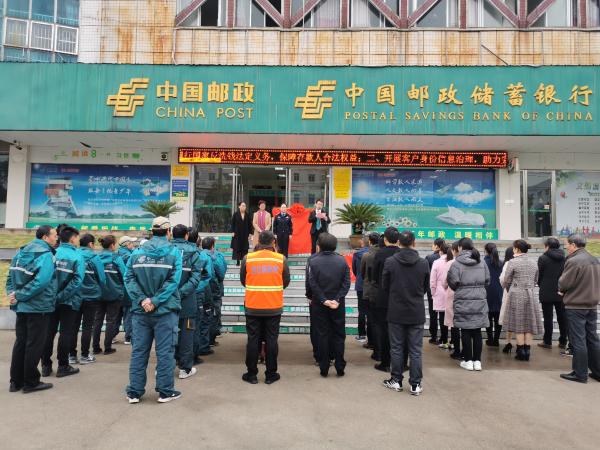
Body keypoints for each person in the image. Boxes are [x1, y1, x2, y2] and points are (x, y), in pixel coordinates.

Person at [125, 216, 183, 403]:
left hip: (141, 312)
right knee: (165, 352)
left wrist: (142, 300)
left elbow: (129, 278)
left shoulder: (136, 253)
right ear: (168, 232)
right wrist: (156, 300)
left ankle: (134, 392)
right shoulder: (174, 253)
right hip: (165, 311)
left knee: (139, 351)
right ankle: (165, 392)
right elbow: (173, 281)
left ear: (152, 231)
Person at [7, 225, 57, 393]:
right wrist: (20, 295)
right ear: (45, 237)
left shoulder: (21, 252)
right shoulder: (46, 255)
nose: (56, 238)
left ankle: (15, 381)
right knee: (34, 344)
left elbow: (10, 276)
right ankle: (31, 382)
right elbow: (42, 282)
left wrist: (13, 294)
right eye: (54, 235)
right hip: (38, 306)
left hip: (21, 306)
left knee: (21, 343)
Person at [382, 230, 429, 396]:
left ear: (399, 243)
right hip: (416, 311)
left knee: (396, 348)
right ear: (414, 243)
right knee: (415, 350)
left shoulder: (390, 262)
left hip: (396, 310)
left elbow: (385, 286)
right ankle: (415, 384)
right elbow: (425, 287)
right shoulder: (423, 263)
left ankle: (396, 380)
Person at [240, 230, 290, 384]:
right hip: (273, 306)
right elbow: (286, 281)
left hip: (253, 306)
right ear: (273, 242)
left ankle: (251, 374)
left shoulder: (248, 258)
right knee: (271, 340)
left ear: (258, 242)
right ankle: (271, 374)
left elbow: (243, 280)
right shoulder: (281, 259)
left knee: (253, 339)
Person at [41, 225, 84, 378]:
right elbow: (77, 281)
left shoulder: (53, 253)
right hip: (69, 301)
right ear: (72, 238)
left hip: (50, 300)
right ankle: (63, 366)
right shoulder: (77, 256)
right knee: (66, 333)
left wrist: (54, 296)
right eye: (77, 237)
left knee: (48, 332)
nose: (78, 240)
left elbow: (44, 277)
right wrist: (62, 296)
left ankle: (45, 366)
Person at [558, 234, 600, 383]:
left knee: (578, 340)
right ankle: (597, 372)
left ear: (574, 245)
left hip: (576, 305)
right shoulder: (594, 259)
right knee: (592, 339)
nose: (566, 247)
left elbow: (564, 282)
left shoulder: (574, 260)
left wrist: (561, 289)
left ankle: (580, 373)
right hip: (591, 304)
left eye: (567, 244)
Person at [308, 233, 351, 377]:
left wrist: (323, 300)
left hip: (320, 304)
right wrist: (337, 299)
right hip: (337, 305)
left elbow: (312, 283)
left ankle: (324, 366)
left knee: (322, 334)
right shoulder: (342, 261)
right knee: (339, 335)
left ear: (319, 245)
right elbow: (346, 283)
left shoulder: (313, 261)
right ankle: (340, 366)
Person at [447, 238, 490, 371]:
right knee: (477, 331)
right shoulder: (481, 261)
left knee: (465, 330)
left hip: (463, 300)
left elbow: (452, 282)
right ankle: (477, 361)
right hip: (479, 300)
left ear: (460, 247)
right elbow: (487, 280)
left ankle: (468, 361)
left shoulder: (456, 263)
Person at [501, 239, 542, 362]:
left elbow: (506, 280)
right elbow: (536, 280)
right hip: (530, 293)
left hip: (516, 293)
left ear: (517, 249)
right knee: (529, 323)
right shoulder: (533, 262)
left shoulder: (512, 262)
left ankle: (520, 351)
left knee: (518, 322)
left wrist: (511, 289)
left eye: (514, 248)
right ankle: (527, 351)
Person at [171, 225, 203, 379]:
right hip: (187, 302)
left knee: (166, 335)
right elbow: (195, 278)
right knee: (187, 336)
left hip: (166, 301)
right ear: (186, 235)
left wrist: (169, 293)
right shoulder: (194, 253)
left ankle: (165, 367)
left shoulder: (164, 251)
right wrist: (181, 292)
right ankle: (185, 369)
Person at [71, 233, 106, 364]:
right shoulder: (94, 258)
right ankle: (85, 355)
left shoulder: (74, 255)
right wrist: (99, 289)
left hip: (75, 295)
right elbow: (102, 278)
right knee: (87, 326)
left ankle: (71, 356)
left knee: (73, 326)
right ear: (90, 244)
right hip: (91, 296)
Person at [371, 227, 401, 372]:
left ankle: (385, 362)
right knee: (400, 331)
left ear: (385, 239)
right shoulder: (401, 253)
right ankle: (400, 362)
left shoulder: (380, 254)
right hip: (400, 297)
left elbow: (374, 276)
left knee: (383, 330)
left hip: (383, 297)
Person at [93, 235, 127, 356]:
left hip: (99, 294)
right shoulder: (116, 258)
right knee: (111, 321)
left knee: (97, 320)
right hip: (114, 294)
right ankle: (107, 347)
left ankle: (95, 347)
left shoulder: (96, 257)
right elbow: (125, 275)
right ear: (112, 245)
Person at [188, 230, 214, 362]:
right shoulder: (202, 255)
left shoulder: (175, 251)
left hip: (178, 293)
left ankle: (180, 355)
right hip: (196, 293)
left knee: (182, 325)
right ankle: (192, 355)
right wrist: (196, 287)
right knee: (195, 324)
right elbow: (208, 275)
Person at [537, 237, 568, 349]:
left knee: (548, 317)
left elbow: (539, 275)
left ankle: (547, 341)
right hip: (561, 290)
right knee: (562, 317)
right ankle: (563, 341)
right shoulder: (564, 258)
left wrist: (541, 284)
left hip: (546, 290)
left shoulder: (543, 258)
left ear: (548, 246)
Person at [202, 236, 227, 346]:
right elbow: (221, 273)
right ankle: (211, 339)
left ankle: (204, 339)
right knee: (214, 313)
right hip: (214, 290)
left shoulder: (199, 255)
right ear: (212, 246)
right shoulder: (216, 257)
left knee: (204, 314)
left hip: (201, 290)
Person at [359, 232, 380, 352]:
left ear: (370, 242)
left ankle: (371, 342)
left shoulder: (366, 255)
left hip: (369, 290)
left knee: (370, 317)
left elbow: (362, 273)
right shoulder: (382, 254)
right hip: (381, 291)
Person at [116, 235, 137, 345]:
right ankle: (128, 337)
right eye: (131, 242)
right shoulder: (130, 256)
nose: (133, 244)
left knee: (116, 314)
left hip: (116, 289)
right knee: (128, 313)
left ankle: (112, 336)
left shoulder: (116, 254)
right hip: (127, 289)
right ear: (127, 244)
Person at [430, 241, 450, 348]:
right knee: (450, 316)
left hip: (439, 291)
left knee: (442, 316)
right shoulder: (453, 261)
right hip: (450, 291)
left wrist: (433, 293)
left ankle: (444, 338)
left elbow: (432, 281)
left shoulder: (436, 262)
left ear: (440, 251)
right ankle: (450, 340)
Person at [484, 243, 503, 347]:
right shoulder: (501, 263)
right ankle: (496, 340)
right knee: (498, 317)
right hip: (499, 291)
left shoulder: (483, 263)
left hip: (487, 291)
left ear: (486, 251)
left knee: (488, 316)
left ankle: (490, 339)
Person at [442, 243, 460, 359]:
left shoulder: (450, 263)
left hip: (453, 293)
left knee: (454, 323)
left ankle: (456, 349)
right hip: (466, 295)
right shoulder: (473, 262)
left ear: (453, 251)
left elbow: (444, 282)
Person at [426, 238, 444, 344]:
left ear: (437, 246)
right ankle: (443, 337)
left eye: (433, 244)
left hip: (432, 289)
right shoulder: (448, 257)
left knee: (433, 314)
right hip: (444, 289)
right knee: (443, 314)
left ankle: (433, 336)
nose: (432, 246)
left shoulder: (429, 258)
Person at [352, 235, 370, 343]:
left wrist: (359, 276)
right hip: (372, 285)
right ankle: (372, 336)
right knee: (371, 310)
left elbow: (354, 269)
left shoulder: (357, 254)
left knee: (362, 310)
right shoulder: (373, 253)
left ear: (362, 243)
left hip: (360, 284)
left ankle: (362, 334)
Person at [499, 247, 515, 354]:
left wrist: (506, 287)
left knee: (509, 318)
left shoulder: (508, 263)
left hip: (510, 293)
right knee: (520, 319)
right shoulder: (529, 262)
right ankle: (522, 344)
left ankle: (508, 341)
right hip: (525, 293)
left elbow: (503, 280)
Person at [230, 201, 253, 266]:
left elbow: (250, 225)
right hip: (237, 233)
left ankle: (244, 261)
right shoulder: (235, 214)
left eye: (245, 206)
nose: (244, 207)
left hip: (245, 234)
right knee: (237, 247)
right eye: (242, 205)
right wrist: (232, 231)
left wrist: (250, 233)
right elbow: (232, 223)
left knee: (244, 248)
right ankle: (238, 261)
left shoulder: (247, 215)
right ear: (239, 206)